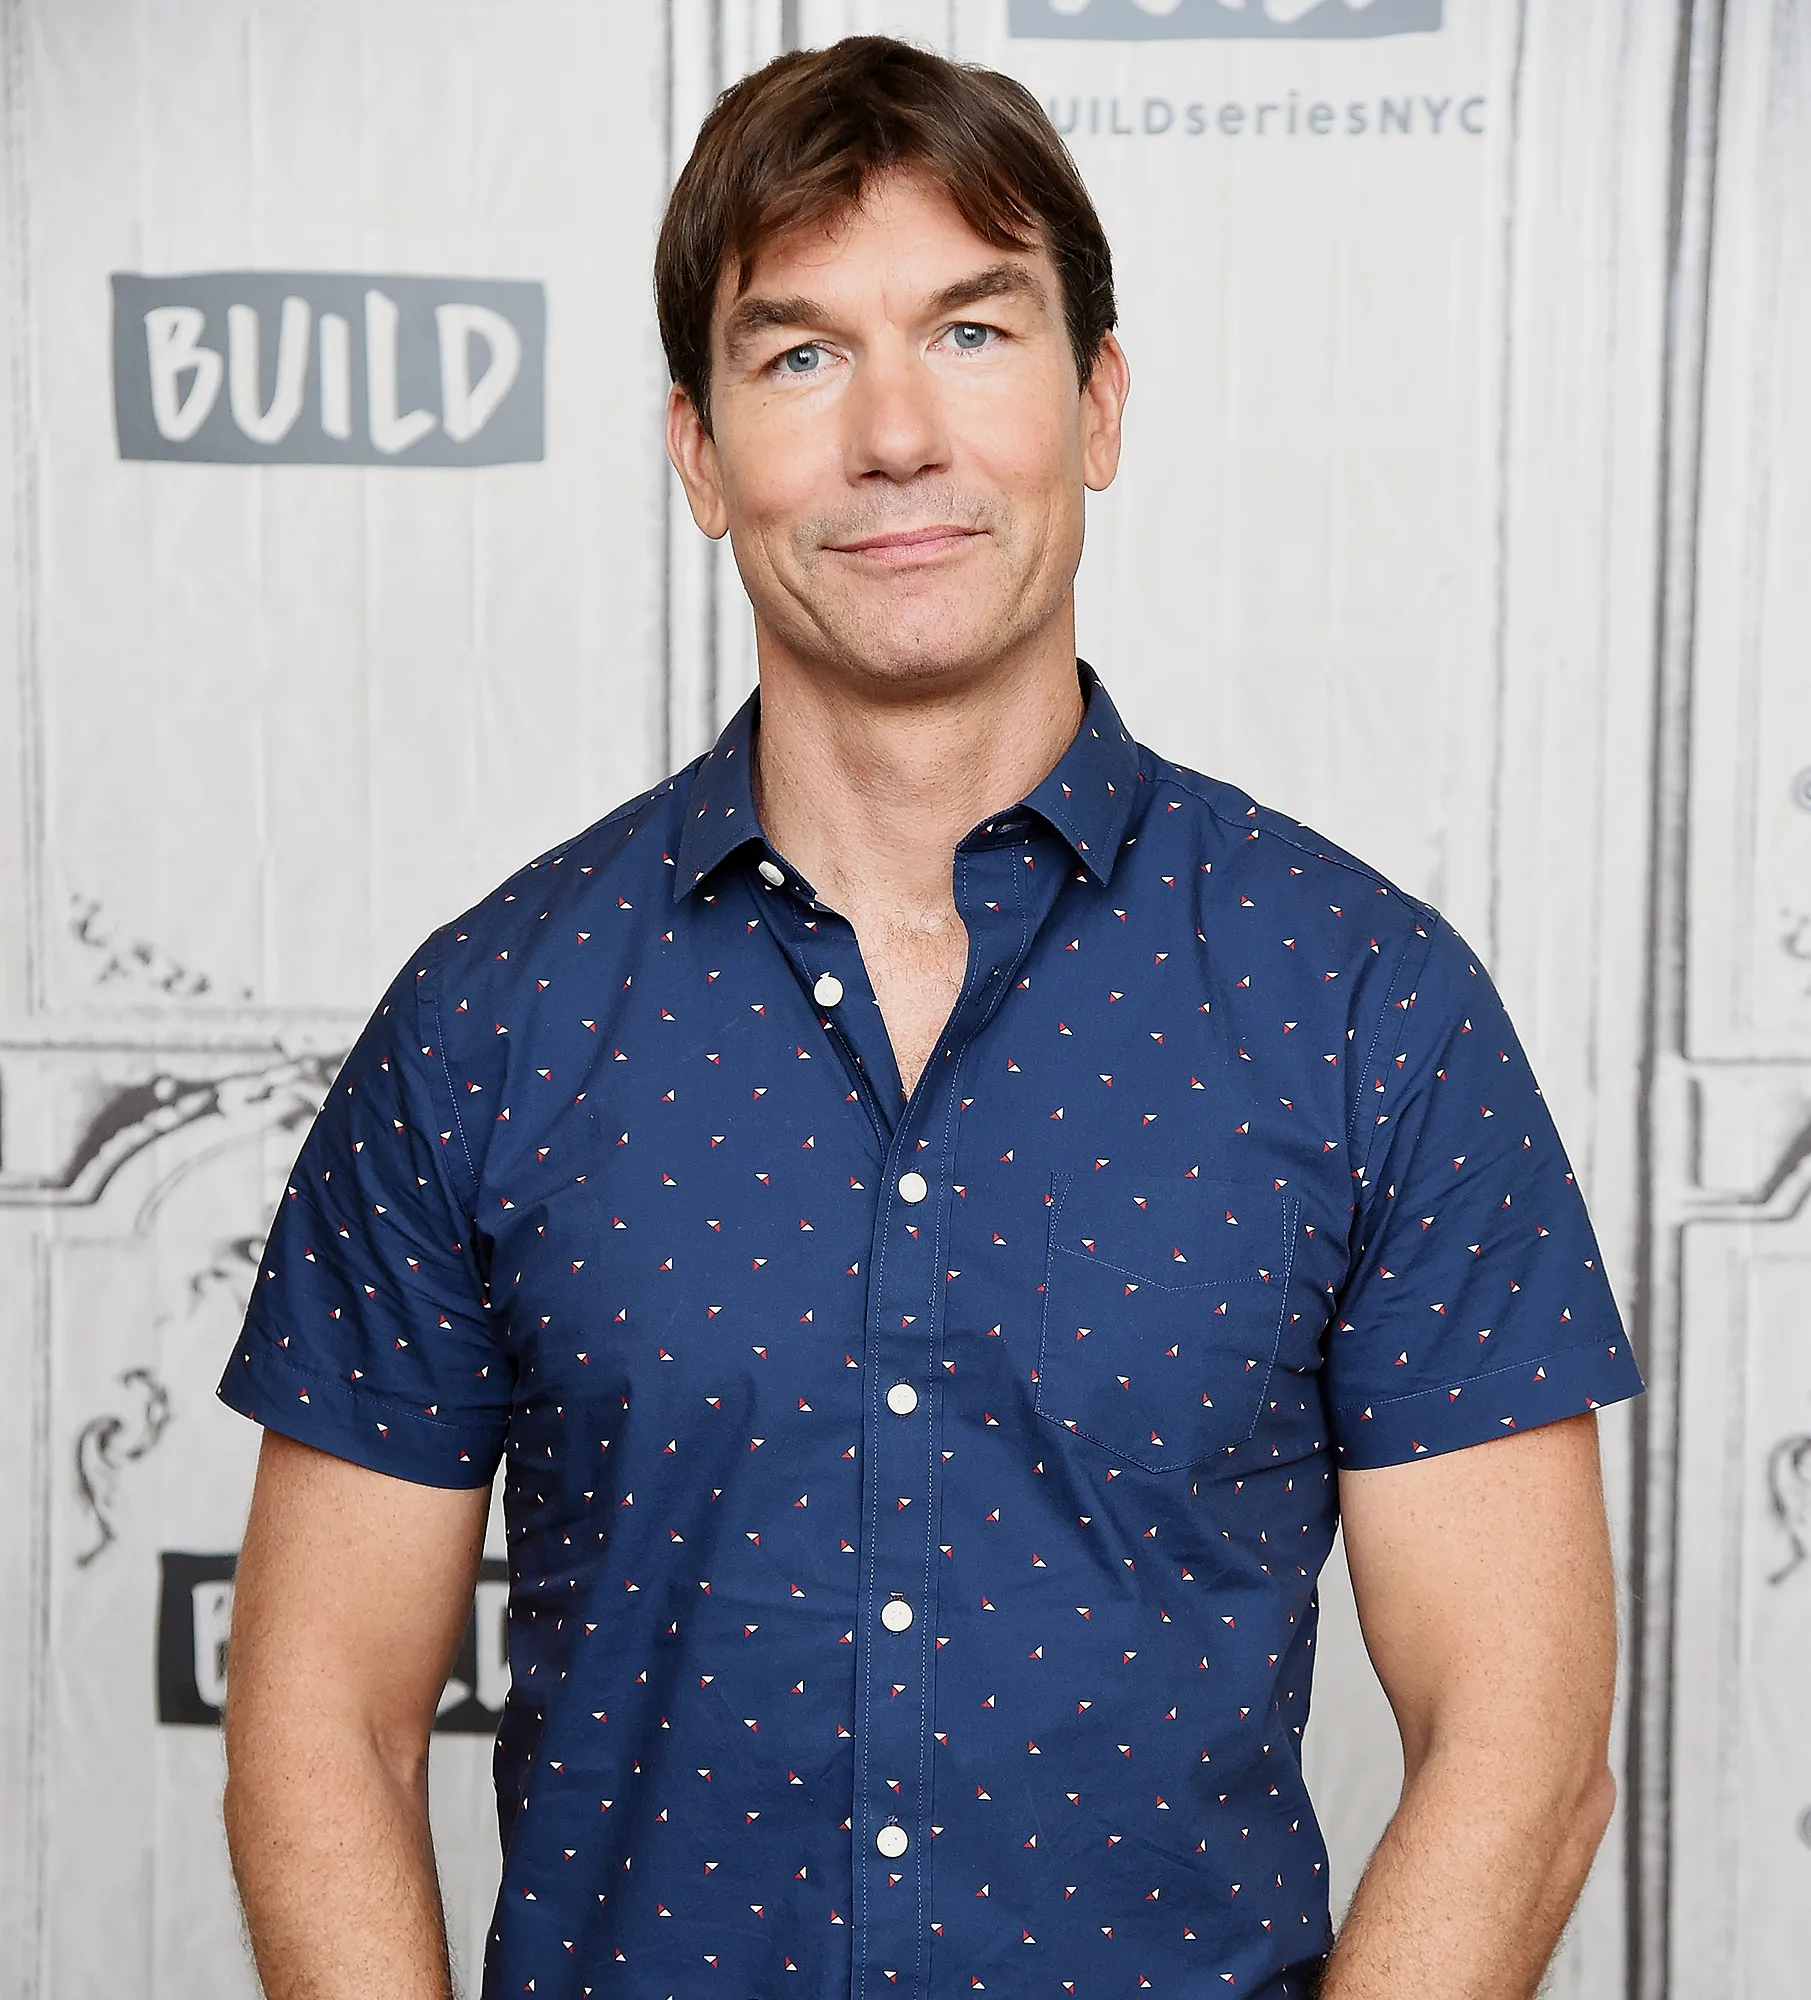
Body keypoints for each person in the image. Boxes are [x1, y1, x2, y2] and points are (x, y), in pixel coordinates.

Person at [217, 34, 1645, 2000]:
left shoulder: (1360, 1008)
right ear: (699, 454)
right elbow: (322, 1722)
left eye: (971, 334)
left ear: (1096, 403)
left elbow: (1521, 1744)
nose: (895, 434)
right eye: (801, 354)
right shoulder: (489, 1020)